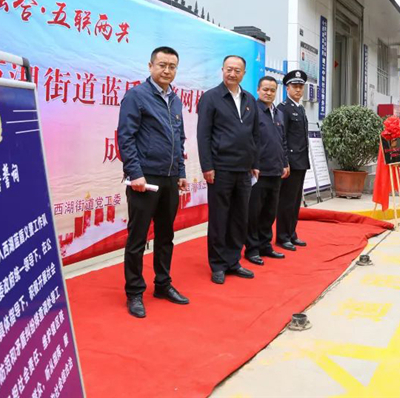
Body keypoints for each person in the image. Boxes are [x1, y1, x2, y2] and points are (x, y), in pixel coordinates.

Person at [118, 46, 189, 319]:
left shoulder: (175, 100)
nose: (167, 70)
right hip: (144, 179)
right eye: (162, 65)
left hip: (170, 178)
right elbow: (126, 137)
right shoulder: (136, 96)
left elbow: (179, 139)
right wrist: (135, 173)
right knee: (138, 237)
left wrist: (181, 171)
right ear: (150, 66)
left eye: (172, 66)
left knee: (165, 235)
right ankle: (134, 292)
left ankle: (163, 284)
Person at [197, 55, 260, 284]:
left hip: (244, 169)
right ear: (222, 70)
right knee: (219, 218)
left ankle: (233, 261)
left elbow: (255, 134)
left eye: (237, 70)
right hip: (220, 168)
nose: (232, 74)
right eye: (229, 69)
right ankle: (217, 264)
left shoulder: (249, 99)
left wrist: (255, 163)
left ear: (244, 73)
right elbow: (203, 135)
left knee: (239, 217)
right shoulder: (211, 98)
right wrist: (207, 166)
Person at [244, 77, 290, 266]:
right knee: (254, 213)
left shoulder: (278, 113)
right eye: (265, 89)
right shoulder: (252, 111)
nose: (269, 93)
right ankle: (252, 249)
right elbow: (247, 140)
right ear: (258, 90)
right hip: (258, 172)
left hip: (276, 171)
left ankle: (265, 246)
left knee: (270, 212)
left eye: (272, 90)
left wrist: (285, 163)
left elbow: (283, 141)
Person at [276, 70, 311, 251]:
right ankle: (282, 236)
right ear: (287, 88)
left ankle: (292, 233)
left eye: (300, 87)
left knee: (296, 201)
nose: (298, 90)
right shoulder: (283, 108)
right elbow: (282, 137)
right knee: (286, 201)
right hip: (290, 162)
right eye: (294, 86)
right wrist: (285, 162)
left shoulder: (300, 108)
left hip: (301, 161)